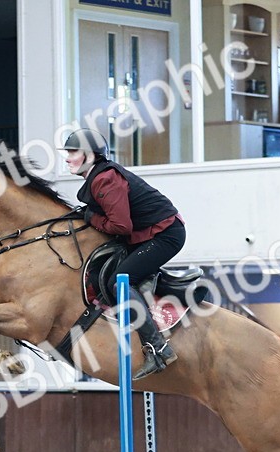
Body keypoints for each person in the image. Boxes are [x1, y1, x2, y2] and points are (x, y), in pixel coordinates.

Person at [60, 128, 186, 380]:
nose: (67, 158)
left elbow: (120, 227)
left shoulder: (105, 178)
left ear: (89, 155)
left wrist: (90, 216)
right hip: (150, 234)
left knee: (120, 281)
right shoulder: (97, 178)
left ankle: (158, 348)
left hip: (165, 234)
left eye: (72, 152)